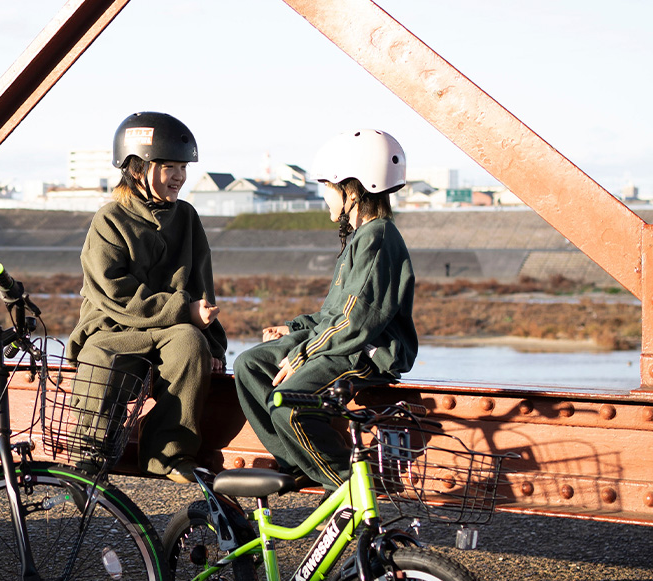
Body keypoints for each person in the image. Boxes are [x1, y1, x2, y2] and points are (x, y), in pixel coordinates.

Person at [233, 129, 417, 490]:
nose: (323, 196)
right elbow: (336, 313)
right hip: (340, 342)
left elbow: (355, 323)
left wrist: (302, 354)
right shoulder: (362, 237)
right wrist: (295, 329)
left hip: (366, 353)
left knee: (288, 405)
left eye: (327, 187)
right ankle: (298, 461)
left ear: (352, 191)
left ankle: (347, 488)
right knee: (249, 365)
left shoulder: (378, 238)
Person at [66, 111, 227, 483]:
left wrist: (213, 345)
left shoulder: (187, 217)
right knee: (101, 357)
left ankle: (167, 456)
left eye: (183, 167)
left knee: (190, 344)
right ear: (137, 167)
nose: (179, 176)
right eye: (169, 166)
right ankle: (91, 454)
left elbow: (202, 283)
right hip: (114, 326)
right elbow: (114, 292)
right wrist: (181, 309)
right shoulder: (110, 219)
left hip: (171, 329)